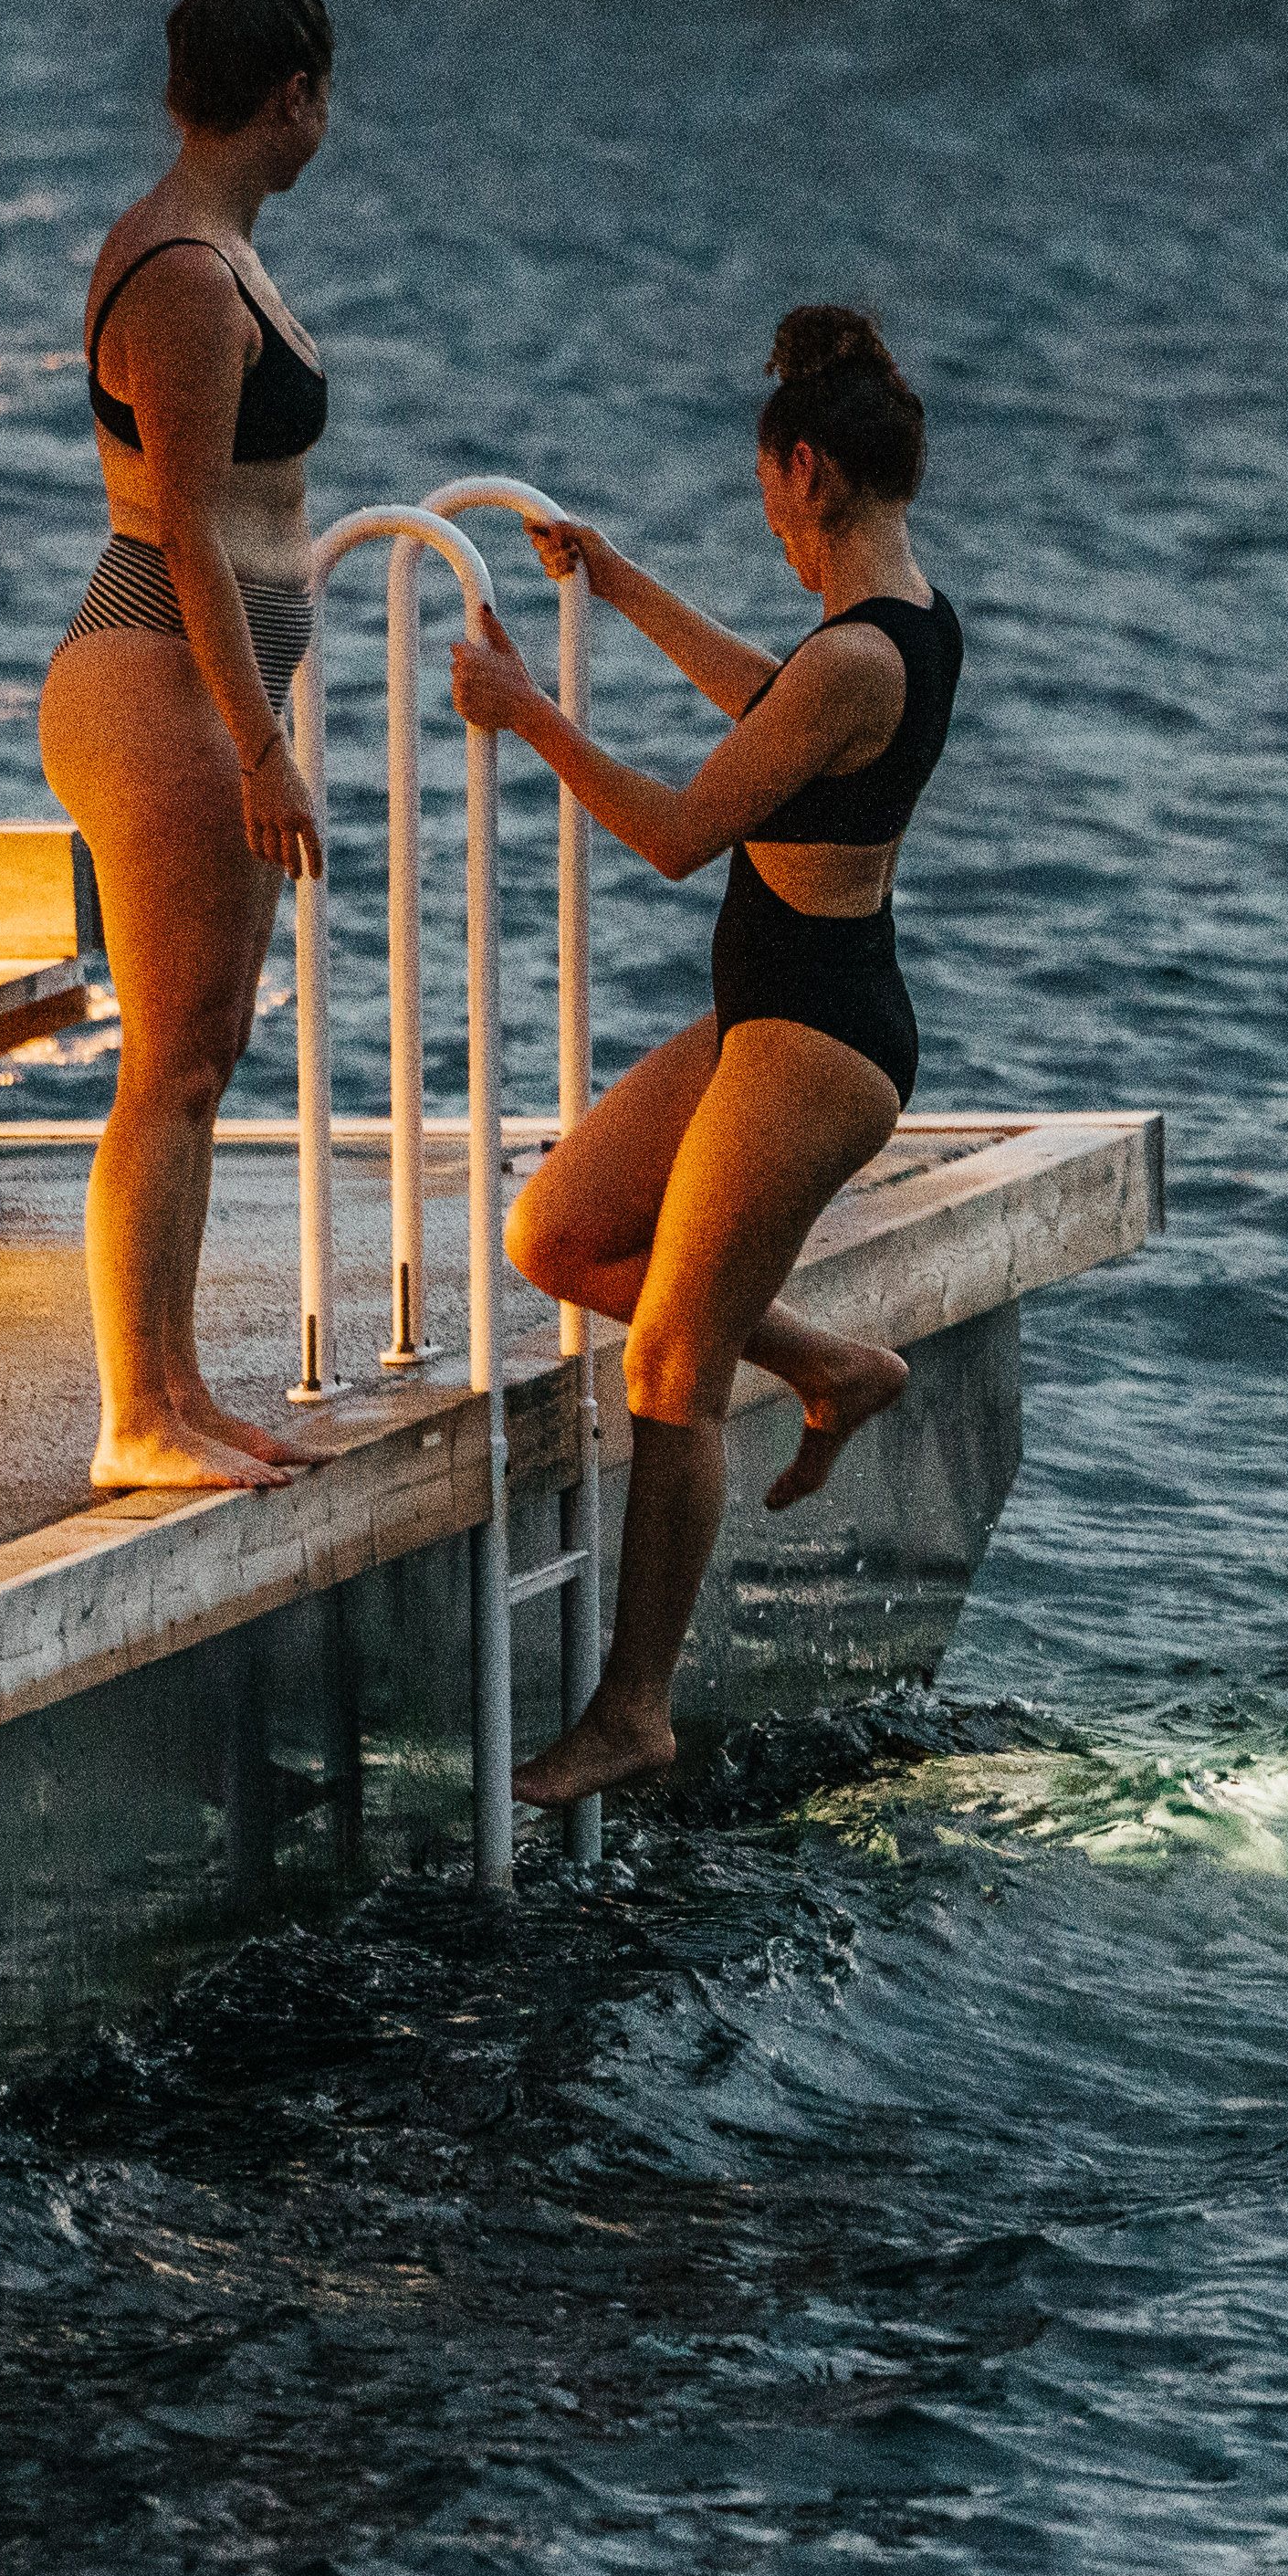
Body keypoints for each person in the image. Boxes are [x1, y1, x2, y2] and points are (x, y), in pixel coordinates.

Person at [445, 304, 957, 1805]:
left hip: (822, 1037)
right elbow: (767, 699)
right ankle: (831, 1368)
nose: (778, 538)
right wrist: (617, 585)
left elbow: (677, 835)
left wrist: (531, 712)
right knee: (562, 1232)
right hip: (772, 1012)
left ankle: (634, 1709)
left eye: (770, 504)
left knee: (667, 1355)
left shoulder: (866, 656)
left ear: (807, 472)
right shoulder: (882, 630)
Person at [42, 0, 343, 1492]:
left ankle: (179, 1387)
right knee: (167, 1058)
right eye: (321, 99)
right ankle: (130, 1417)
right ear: (288, 98)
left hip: (196, 691)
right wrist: (266, 744)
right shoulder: (177, 276)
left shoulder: (211, 254)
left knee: (204, 1051)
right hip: (160, 679)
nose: (324, 127)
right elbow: (187, 538)